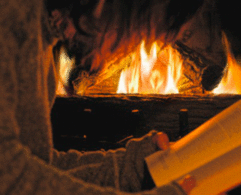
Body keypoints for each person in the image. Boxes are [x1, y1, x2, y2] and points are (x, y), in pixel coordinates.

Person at [0, 0, 204, 194]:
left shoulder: (38, 31)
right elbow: (9, 178)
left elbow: (42, 167)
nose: (127, 50)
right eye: (138, 31)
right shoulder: (9, 16)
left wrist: (134, 168)